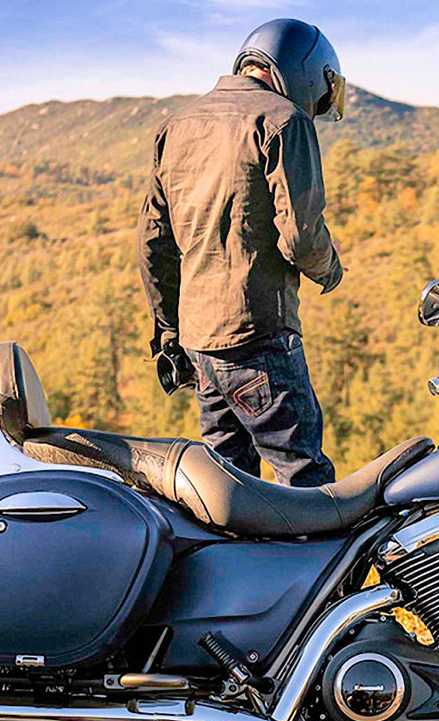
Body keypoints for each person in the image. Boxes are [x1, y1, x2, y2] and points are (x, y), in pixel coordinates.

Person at [136, 18, 348, 487]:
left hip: (199, 341)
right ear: (308, 71)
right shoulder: (282, 121)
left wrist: (170, 332)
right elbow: (301, 236)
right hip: (258, 336)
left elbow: (154, 244)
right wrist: (331, 271)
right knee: (307, 482)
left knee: (226, 489)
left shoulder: (176, 126)